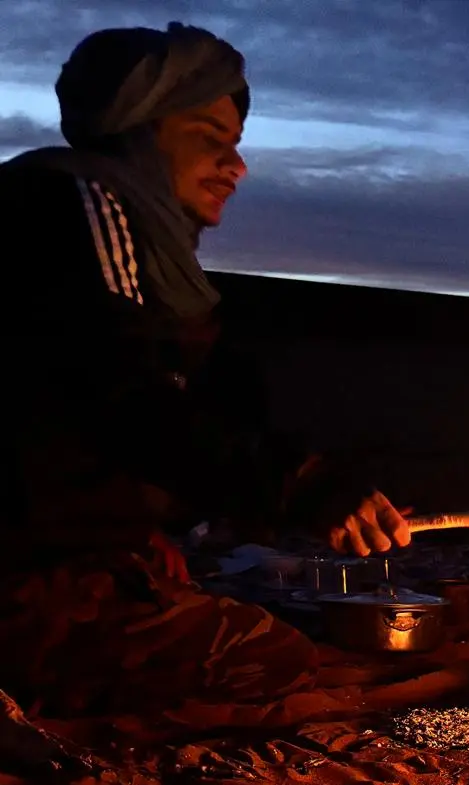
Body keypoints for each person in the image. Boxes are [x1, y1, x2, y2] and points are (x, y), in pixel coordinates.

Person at [0, 23, 409, 718]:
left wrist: (143, 531)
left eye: (237, 147)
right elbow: (122, 399)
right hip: (19, 568)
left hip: (42, 538)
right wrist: (299, 483)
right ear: (139, 132)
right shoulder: (77, 206)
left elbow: (65, 413)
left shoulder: (123, 231)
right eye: (209, 139)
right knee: (268, 656)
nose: (237, 167)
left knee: (171, 571)